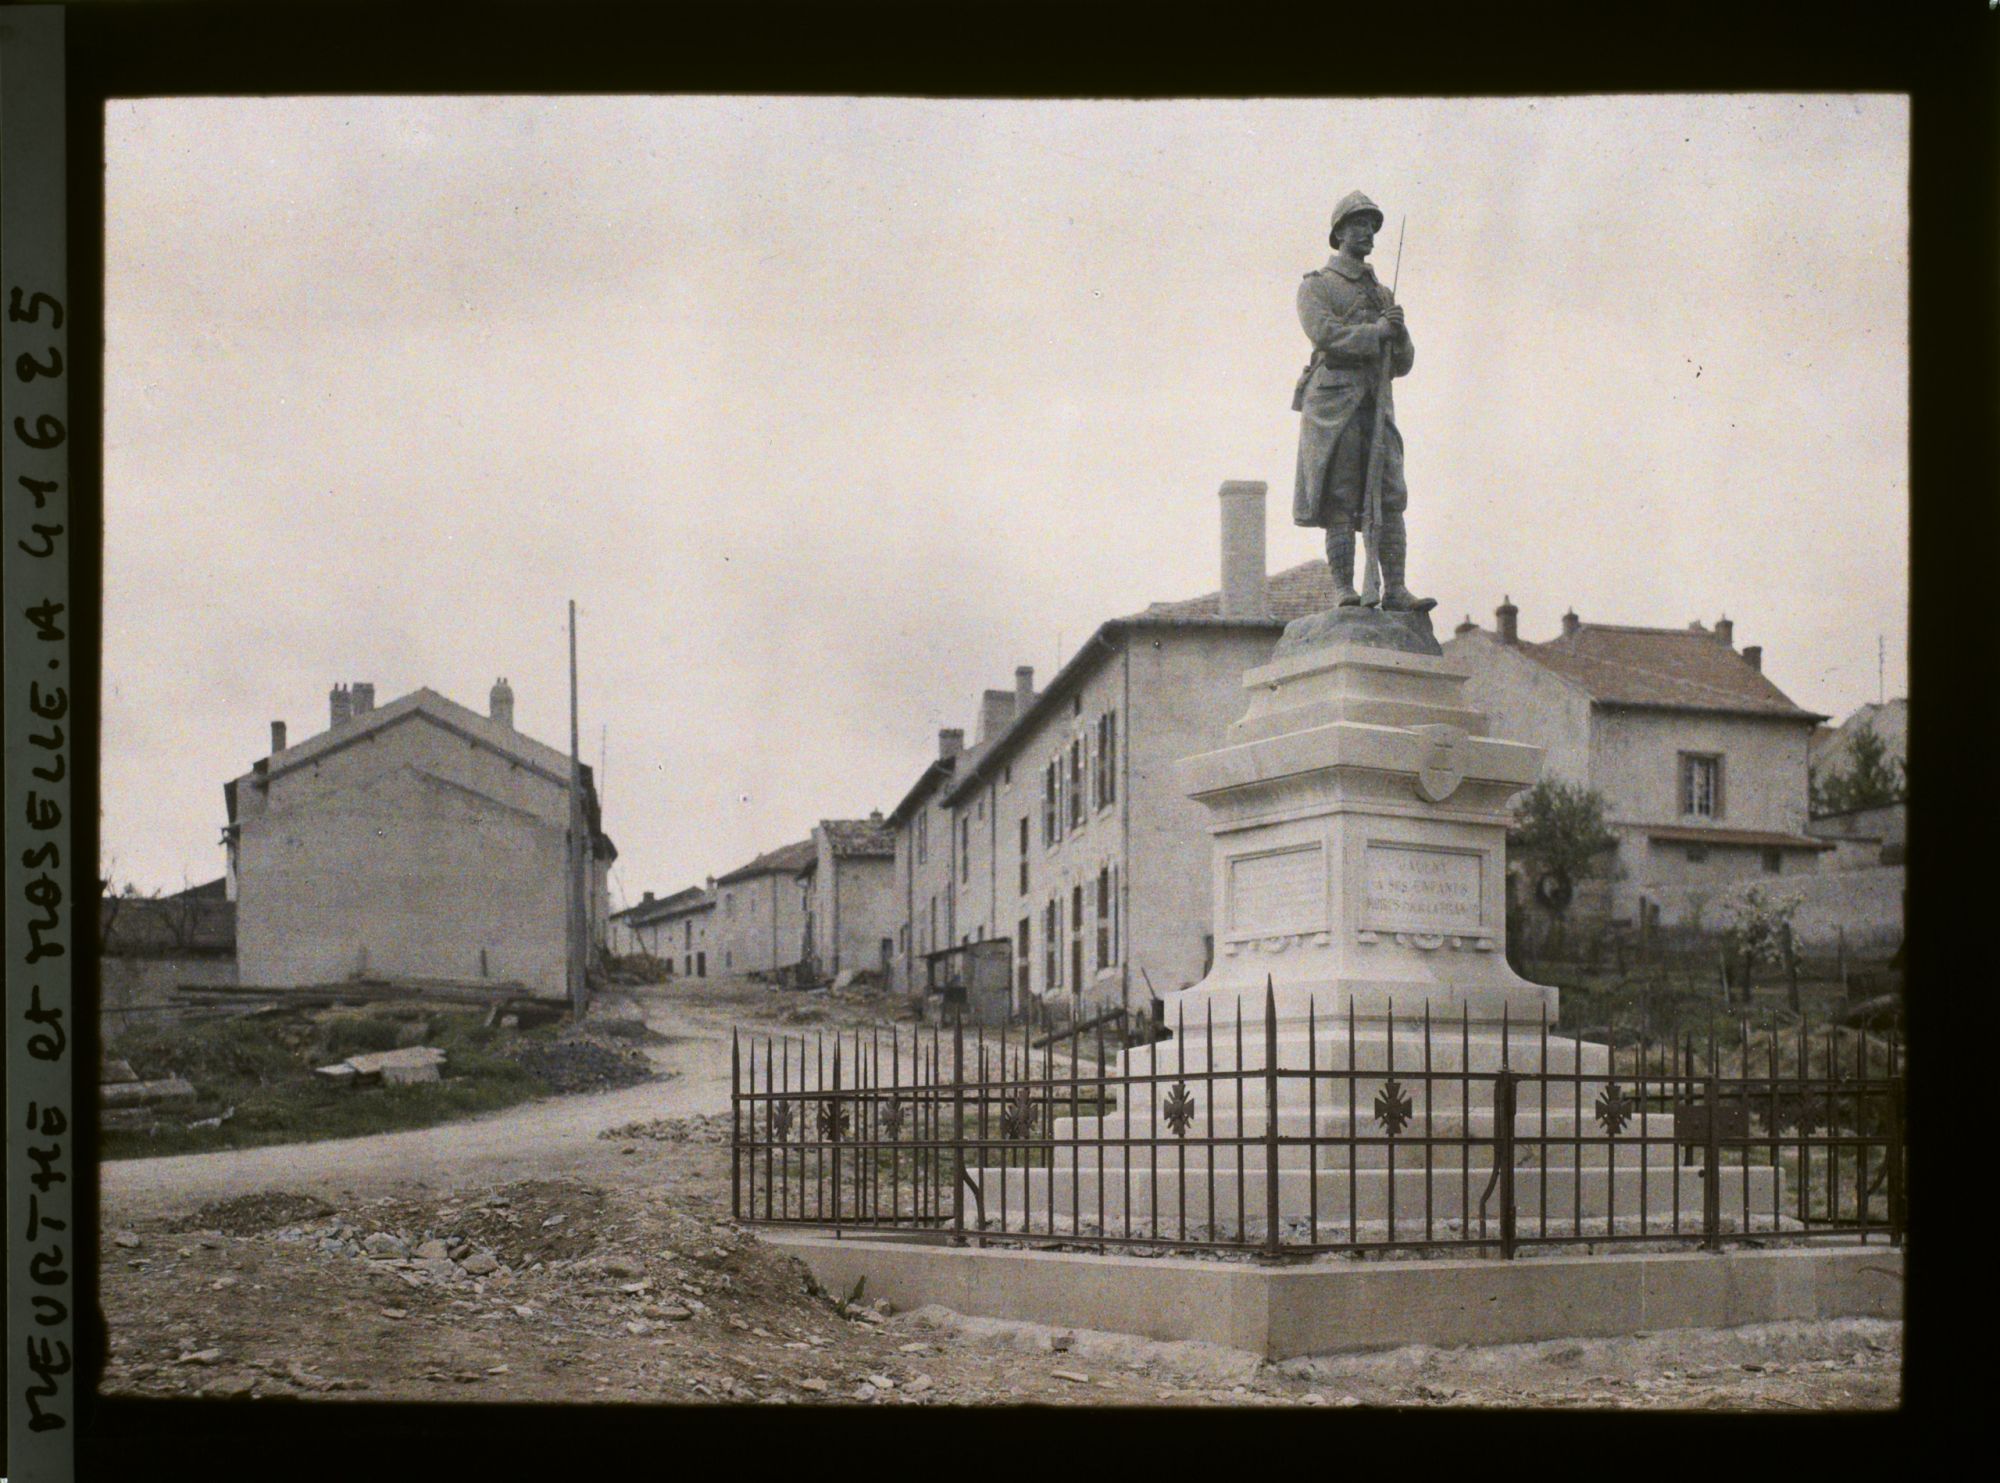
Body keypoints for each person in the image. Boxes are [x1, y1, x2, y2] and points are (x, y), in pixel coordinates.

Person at [1291, 190, 1434, 611]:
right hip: (1335, 403)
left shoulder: (1383, 295)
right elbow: (1326, 335)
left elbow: (1402, 363)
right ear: (1338, 233)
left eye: (1371, 224)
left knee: (1390, 495)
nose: (1367, 231)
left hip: (1377, 402)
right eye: (1358, 223)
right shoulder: (1317, 286)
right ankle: (1344, 589)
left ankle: (1396, 589)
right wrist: (1376, 334)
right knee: (1341, 494)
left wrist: (1399, 333)